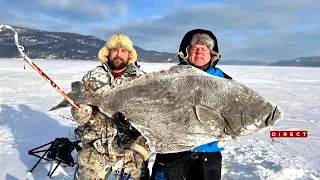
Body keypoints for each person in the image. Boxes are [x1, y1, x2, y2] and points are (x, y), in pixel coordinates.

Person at [150, 29, 232, 180]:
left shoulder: (224, 80)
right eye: (195, 49)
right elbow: (154, 107)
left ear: (212, 53)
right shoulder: (170, 77)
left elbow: (234, 111)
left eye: (204, 49)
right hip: (173, 149)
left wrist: (227, 129)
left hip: (208, 151)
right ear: (186, 53)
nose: (199, 52)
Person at [71, 32, 150, 180]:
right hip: (95, 147)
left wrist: (131, 126)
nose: (118, 54)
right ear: (108, 53)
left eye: (123, 51)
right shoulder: (92, 76)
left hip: (129, 150)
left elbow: (150, 116)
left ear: (129, 55)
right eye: (115, 50)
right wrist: (80, 112)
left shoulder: (142, 80)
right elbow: (77, 109)